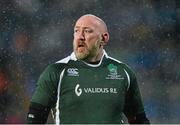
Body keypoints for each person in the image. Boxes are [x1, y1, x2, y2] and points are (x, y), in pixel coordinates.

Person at [26, 14, 150, 124]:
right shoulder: (56, 71)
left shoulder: (123, 72)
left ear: (104, 38)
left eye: (87, 31)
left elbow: (139, 120)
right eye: (76, 31)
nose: (80, 37)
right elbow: (34, 120)